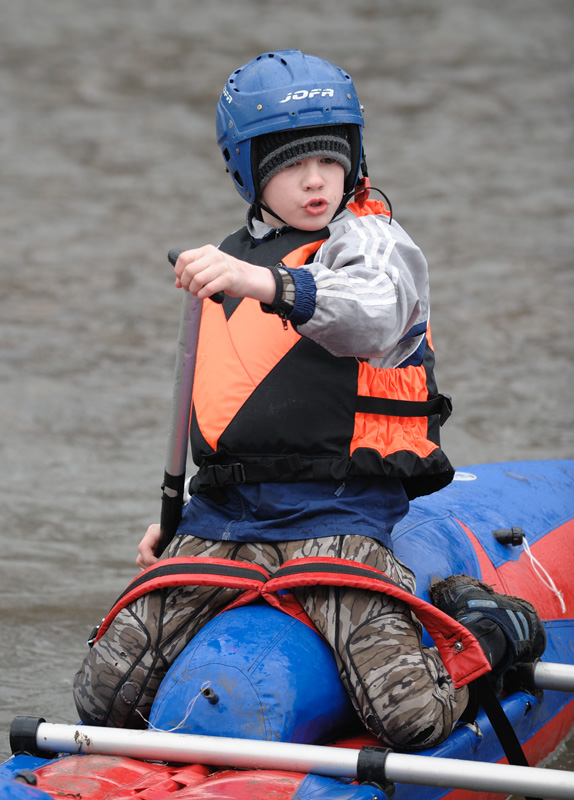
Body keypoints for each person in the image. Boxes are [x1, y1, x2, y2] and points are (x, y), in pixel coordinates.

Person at [73, 50, 545, 749]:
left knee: (409, 719)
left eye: (331, 158)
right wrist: (170, 521)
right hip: (225, 519)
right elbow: (222, 410)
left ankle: (495, 630)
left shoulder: (374, 245)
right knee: (99, 695)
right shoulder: (228, 260)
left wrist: (267, 285)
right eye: (292, 164)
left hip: (339, 516)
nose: (317, 179)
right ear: (249, 171)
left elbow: (371, 315)